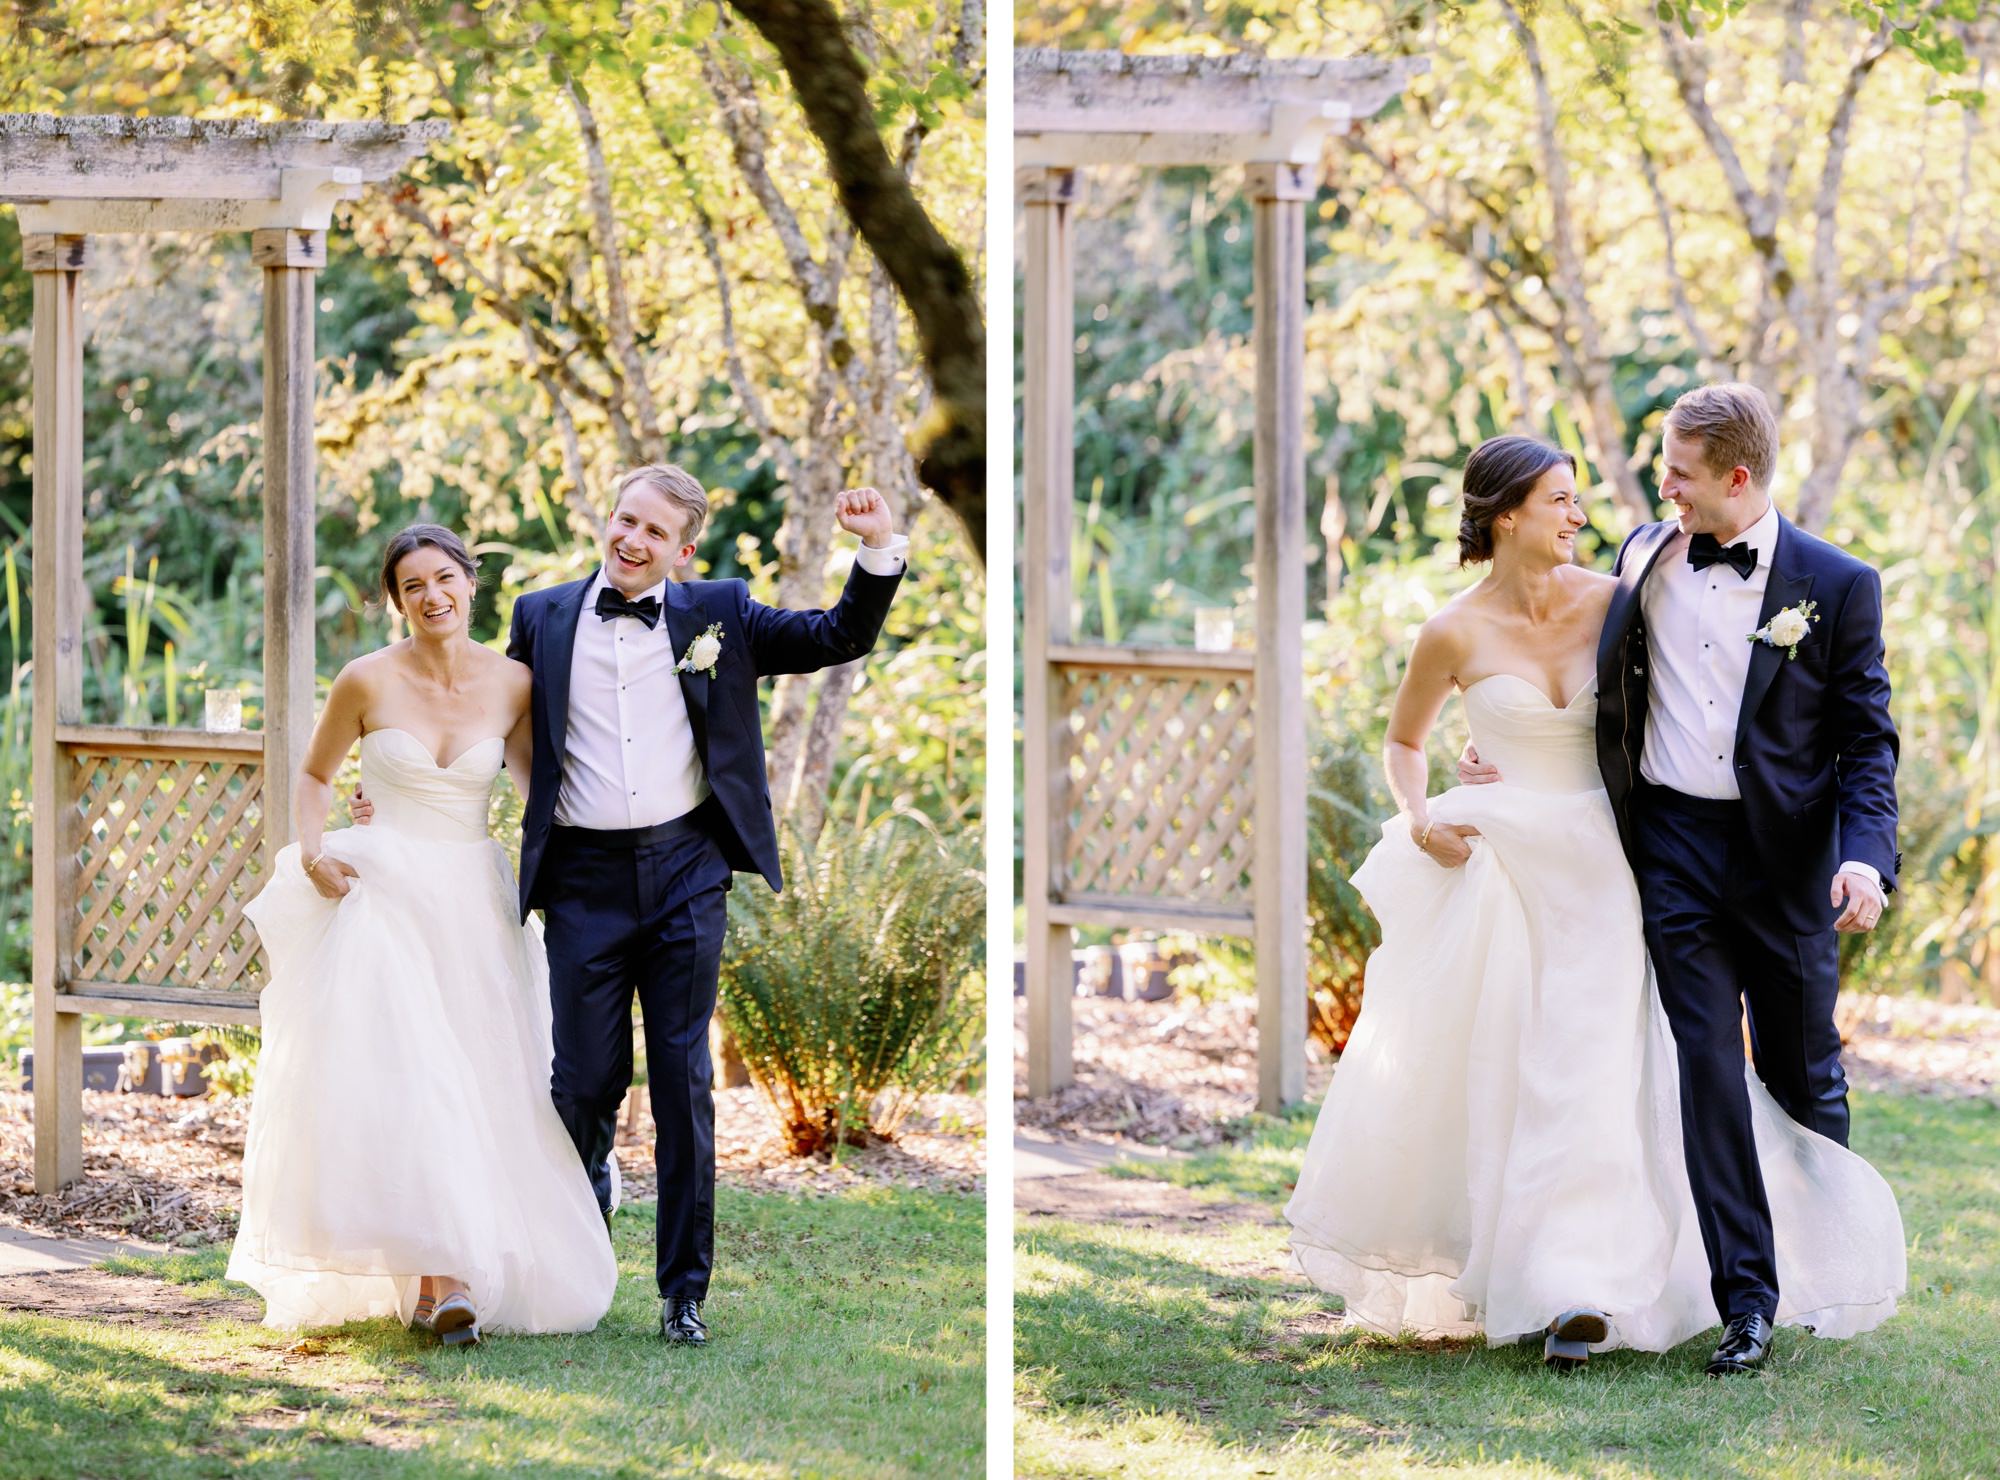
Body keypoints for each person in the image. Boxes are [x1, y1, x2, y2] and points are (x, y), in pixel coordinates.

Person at [1284, 428, 1904, 1374]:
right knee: (1537, 1068)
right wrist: (1429, 812)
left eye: (1582, 498)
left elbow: (1777, 711)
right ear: (1504, 518)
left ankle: (1752, 1265)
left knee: (1621, 1068)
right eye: (1561, 500)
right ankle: (1568, 1285)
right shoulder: (1477, 619)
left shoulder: (1624, 592)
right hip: (1527, 867)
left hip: (1611, 866)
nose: (1588, 512)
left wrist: (1859, 853)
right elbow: (1404, 740)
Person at [357, 465, 905, 1345]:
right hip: (583, 883)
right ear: (604, 521)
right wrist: (387, 792)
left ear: (683, 550)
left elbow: (837, 635)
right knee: (579, 1085)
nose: (632, 540)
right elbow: (479, 715)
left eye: (654, 532)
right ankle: (571, 1242)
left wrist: (877, 547)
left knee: (685, 1084)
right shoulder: (539, 616)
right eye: (623, 521)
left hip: (688, 871)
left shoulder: (720, 613)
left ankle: (682, 1293)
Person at [228, 524, 616, 1346]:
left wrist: (591, 873)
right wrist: (314, 851)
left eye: (445, 578)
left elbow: (540, 786)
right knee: (412, 1074)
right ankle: (444, 1283)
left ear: (471, 583)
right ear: (394, 600)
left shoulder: (515, 684)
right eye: (413, 586)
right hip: (383, 892)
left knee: (480, 1075)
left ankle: (447, 1274)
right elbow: (314, 775)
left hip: (473, 900)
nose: (432, 596)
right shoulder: (365, 680)